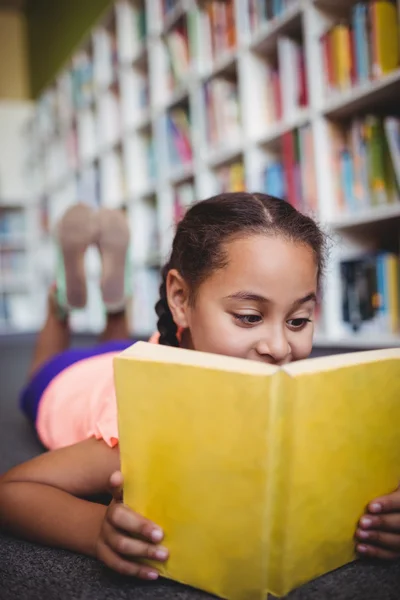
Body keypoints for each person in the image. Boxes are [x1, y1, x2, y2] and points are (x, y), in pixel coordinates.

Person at [0, 193, 399, 583]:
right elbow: (12, 489)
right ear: (180, 298)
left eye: (298, 320)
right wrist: (95, 529)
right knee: (38, 372)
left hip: (158, 342)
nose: (280, 349)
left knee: (118, 341)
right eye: (248, 316)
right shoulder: (135, 428)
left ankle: (116, 299)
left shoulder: (249, 364)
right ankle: (63, 299)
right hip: (69, 381)